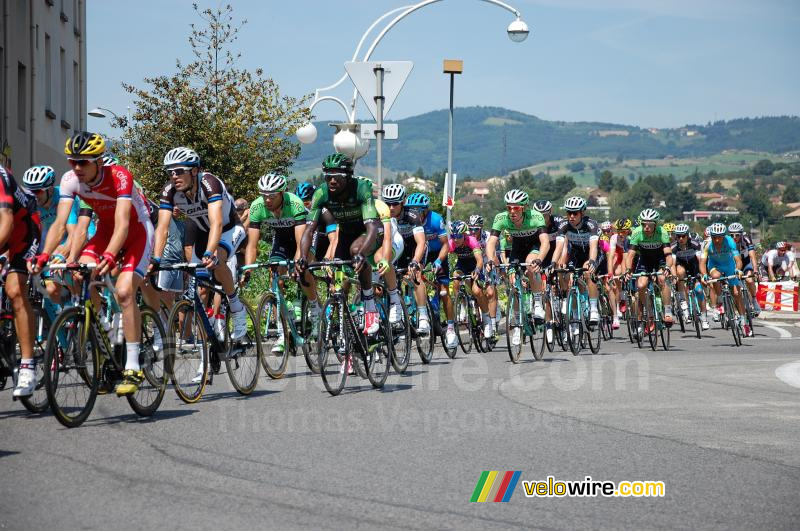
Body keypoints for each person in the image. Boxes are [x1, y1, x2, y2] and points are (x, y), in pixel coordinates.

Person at [31, 132, 153, 396]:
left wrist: (110, 255)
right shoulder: (70, 180)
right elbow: (60, 224)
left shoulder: (119, 176)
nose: (77, 167)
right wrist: (44, 254)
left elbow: (123, 223)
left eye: (83, 162)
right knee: (78, 275)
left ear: (98, 160)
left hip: (137, 232)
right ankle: (106, 332)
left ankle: (133, 365)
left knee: (123, 291)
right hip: (105, 234)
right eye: (72, 161)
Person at [152, 146, 248, 349]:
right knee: (200, 287)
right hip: (204, 234)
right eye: (170, 172)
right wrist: (156, 259)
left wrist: (209, 253)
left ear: (194, 170)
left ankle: (236, 307)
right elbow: (162, 228)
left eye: (179, 171)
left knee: (218, 260)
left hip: (229, 229)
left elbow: (217, 223)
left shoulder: (209, 183)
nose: (174, 176)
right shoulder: (169, 192)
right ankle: (208, 348)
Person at [297, 154, 382, 335]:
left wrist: (362, 254)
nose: (332, 181)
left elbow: (372, 227)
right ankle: (346, 329)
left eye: (338, 177)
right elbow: (308, 230)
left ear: (349, 176)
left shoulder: (361, 188)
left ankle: (370, 305)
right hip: (345, 233)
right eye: (328, 176)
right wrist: (303, 258)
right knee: (338, 277)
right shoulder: (321, 193)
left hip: (367, 232)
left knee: (356, 251)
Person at [244, 173, 322, 352]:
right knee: (276, 277)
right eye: (264, 195)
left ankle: (314, 306)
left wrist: (298, 263)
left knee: (302, 269)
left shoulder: (294, 203)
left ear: (281, 193)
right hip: (280, 239)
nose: (267, 199)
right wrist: (248, 269)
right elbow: (252, 244)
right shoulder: (257, 207)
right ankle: (283, 332)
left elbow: (300, 242)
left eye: (272, 195)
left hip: (302, 238)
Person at [486, 189, 549, 346]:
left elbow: (545, 242)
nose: (512, 211)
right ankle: (518, 326)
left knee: (530, 264)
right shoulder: (501, 218)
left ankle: (537, 304)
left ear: (524, 207)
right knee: (514, 283)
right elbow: (491, 242)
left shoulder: (535, 216)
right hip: (517, 248)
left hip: (533, 246)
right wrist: (490, 260)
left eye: (516, 208)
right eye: (509, 208)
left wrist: (540, 259)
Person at [1, 164, 41, 398]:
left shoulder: (0, 177)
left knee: (15, 290)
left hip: (22, 231)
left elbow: (6, 223)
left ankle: (27, 365)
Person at [406, 192, 457, 349]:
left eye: (419, 210)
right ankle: (416, 309)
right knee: (414, 276)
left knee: (443, 291)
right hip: (421, 251)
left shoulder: (435, 220)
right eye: (412, 210)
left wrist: (438, 261)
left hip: (436, 253)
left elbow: (446, 244)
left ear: (426, 210)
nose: (415, 213)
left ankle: (450, 328)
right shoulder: (409, 220)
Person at [384, 183, 429, 332]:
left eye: (395, 203)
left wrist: (416, 260)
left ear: (403, 202)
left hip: (414, 247)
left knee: (415, 275)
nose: (391, 207)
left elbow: (421, 241)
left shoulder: (412, 214)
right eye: (388, 203)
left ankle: (423, 316)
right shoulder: (383, 214)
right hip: (397, 248)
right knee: (390, 277)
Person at [624, 208, 676, 333]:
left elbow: (668, 255)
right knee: (641, 285)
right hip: (645, 260)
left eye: (649, 224)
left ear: (655, 224)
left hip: (660, 260)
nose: (646, 227)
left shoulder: (661, 232)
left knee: (663, 278)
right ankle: (649, 312)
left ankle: (668, 311)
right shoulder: (637, 232)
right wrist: (627, 270)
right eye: (644, 224)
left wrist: (668, 268)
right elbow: (630, 255)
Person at [557, 196, 600, 326]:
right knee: (567, 275)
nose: (571, 216)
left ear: (582, 213)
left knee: (588, 273)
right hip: (575, 253)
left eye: (575, 213)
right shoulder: (564, 225)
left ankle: (593, 309)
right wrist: (556, 262)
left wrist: (591, 261)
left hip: (591, 253)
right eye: (568, 212)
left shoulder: (590, 224)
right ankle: (575, 312)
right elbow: (561, 247)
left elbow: (593, 247)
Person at [700, 223, 748, 335]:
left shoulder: (730, 241)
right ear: (711, 236)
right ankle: (720, 299)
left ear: (724, 236)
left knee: (736, 293)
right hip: (714, 266)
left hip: (729, 266)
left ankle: (743, 319)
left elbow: (738, 260)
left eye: (720, 237)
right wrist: (703, 274)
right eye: (714, 237)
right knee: (715, 277)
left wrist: (738, 269)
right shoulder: (707, 243)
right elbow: (702, 262)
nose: (717, 240)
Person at [449, 220, 491, 337]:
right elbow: (444, 258)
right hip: (462, 264)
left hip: (474, 266)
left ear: (464, 235)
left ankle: (487, 321)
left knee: (477, 291)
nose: (456, 239)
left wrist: (477, 270)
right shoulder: (451, 243)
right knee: (455, 278)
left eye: (458, 236)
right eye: (453, 236)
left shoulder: (471, 241)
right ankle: (461, 304)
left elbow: (479, 260)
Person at [671, 223, 709, 330]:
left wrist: (702, 275)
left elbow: (700, 260)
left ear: (687, 235)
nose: (681, 238)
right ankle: (683, 301)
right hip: (681, 268)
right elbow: (672, 264)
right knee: (679, 271)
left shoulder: (695, 244)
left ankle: (704, 318)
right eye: (678, 236)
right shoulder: (673, 247)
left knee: (699, 291)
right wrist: (674, 277)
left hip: (694, 268)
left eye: (683, 236)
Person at [728, 222, 760, 315]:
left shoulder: (746, 239)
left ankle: (754, 299)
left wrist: (755, 269)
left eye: (737, 235)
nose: (734, 237)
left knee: (749, 281)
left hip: (746, 263)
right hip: (733, 265)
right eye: (731, 235)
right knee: (736, 289)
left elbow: (752, 256)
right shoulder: (727, 242)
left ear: (741, 234)